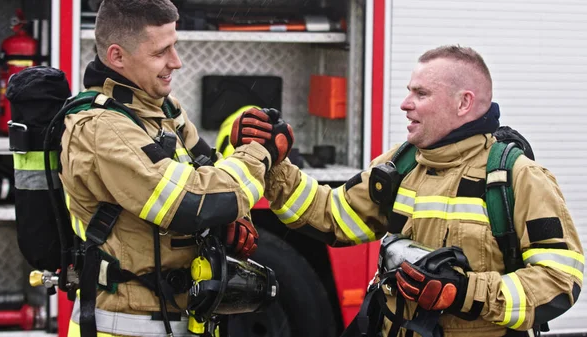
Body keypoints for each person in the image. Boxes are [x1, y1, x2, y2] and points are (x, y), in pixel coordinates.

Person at [231, 45, 584, 336]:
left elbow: (560, 280)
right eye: (409, 91)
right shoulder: (401, 165)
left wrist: (464, 293)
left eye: (421, 93)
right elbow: (333, 216)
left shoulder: (518, 177)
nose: (405, 104)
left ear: (463, 103)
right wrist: (274, 164)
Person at [59, 0, 293, 336]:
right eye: (160, 52)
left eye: (175, 46)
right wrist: (262, 153)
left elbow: (209, 168)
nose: (177, 62)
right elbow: (192, 204)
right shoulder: (102, 129)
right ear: (117, 57)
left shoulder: (162, 108)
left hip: (177, 322)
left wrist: (237, 217)